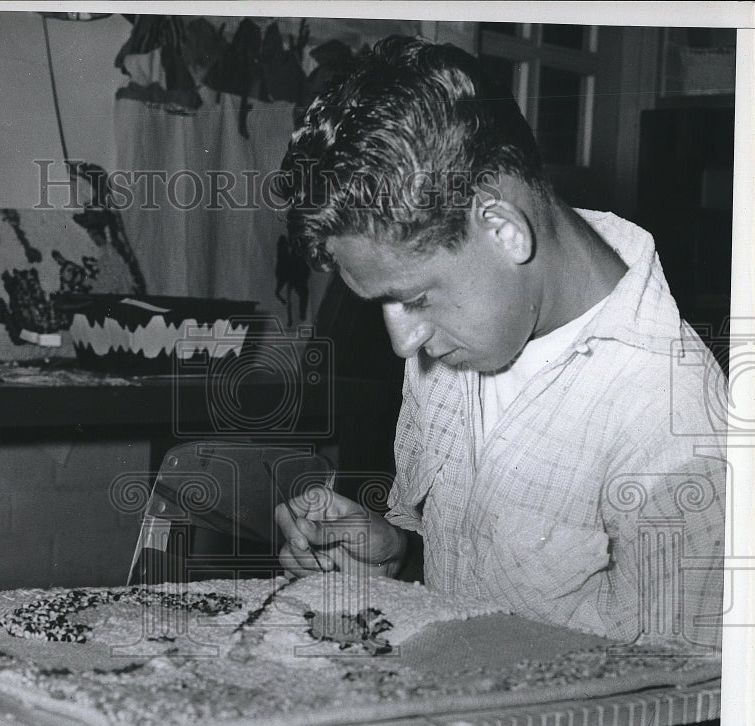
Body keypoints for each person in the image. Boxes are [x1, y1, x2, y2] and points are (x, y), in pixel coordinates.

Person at [273, 37, 727, 656]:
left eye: (414, 298)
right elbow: (475, 582)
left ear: (503, 229)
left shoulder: (675, 421)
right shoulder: (460, 333)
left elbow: (683, 699)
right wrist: (398, 559)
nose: (405, 343)